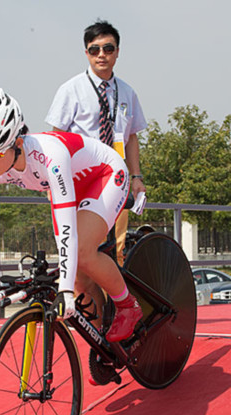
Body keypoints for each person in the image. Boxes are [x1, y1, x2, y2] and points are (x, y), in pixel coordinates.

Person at [0, 88, 142, 343]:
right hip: (72, 184)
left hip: (105, 174)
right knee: (77, 276)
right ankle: (103, 343)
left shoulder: (49, 156)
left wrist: (64, 290)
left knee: (80, 252)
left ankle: (127, 306)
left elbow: (67, 226)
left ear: (18, 143)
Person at [45, 20, 147, 265]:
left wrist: (137, 177)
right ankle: (88, 303)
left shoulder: (127, 92)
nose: (102, 55)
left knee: (117, 248)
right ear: (87, 53)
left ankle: (119, 303)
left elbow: (131, 136)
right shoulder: (71, 90)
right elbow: (56, 136)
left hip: (116, 178)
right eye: (95, 49)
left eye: (108, 48)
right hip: (80, 178)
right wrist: (51, 181)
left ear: (117, 52)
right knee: (83, 249)